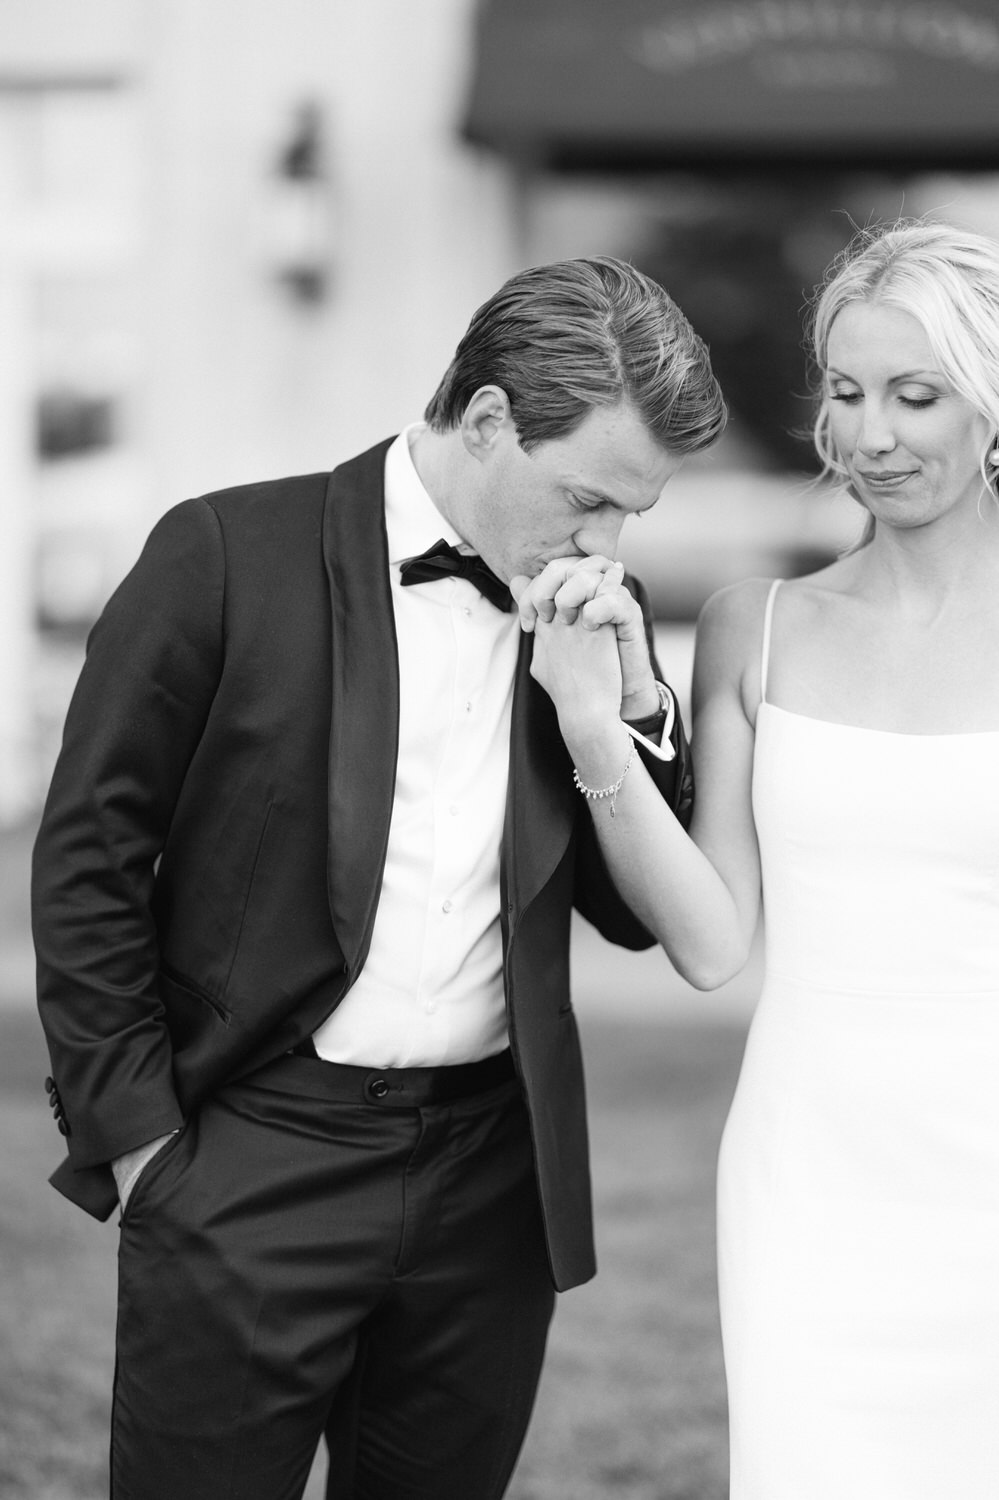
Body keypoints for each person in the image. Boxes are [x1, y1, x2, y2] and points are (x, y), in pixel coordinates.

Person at [31, 254, 726, 1500]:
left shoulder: (583, 613)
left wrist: (623, 707)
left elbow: (627, 917)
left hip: (488, 1184)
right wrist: (142, 1148)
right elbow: (88, 857)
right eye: (587, 499)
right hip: (250, 1156)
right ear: (491, 418)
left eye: (633, 515)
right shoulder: (224, 553)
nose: (606, 544)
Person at [516, 220, 999, 1499]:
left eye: (918, 394)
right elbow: (713, 943)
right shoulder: (757, 627)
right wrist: (591, 723)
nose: (875, 435)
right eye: (848, 393)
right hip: (812, 1180)